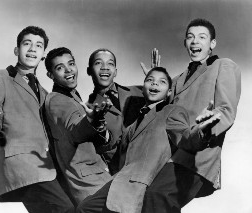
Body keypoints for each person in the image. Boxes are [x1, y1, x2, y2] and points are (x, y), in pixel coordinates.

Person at [76, 67, 220, 213]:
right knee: (84, 208)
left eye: (162, 82)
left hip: (143, 184)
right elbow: (115, 152)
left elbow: (185, 137)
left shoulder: (171, 111)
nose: (155, 84)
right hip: (119, 183)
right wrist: (98, 123)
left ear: (169, 92)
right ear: (143, 88)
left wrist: (202, 130)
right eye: (150, 80)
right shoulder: (132, 125)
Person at [140, 18, 241, 213]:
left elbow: (226, 111)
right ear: (185, 43)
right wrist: (154, 80)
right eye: (190, 37)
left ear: (212, 44)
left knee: (156, 196)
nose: (195, 41)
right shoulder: (178, 80)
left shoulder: (224, 66)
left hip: (198, 158)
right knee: (146, 198)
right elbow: (161, 108)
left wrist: (206, 127)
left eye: (202, 37)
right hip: (171, 156)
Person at [0, 26, 74, 213]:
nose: (32, 49)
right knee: (65, 209)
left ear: (43, 54)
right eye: (26, 44)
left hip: (49, 167)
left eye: (38, 45)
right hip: (23, 166)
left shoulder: (45, 93)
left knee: (79, 206)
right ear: (16, 50)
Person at [43, 47, 112, 204]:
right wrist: (93, 120)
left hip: (97, 178)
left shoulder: (71, 96)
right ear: (50, 75)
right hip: (90, 184)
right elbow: (76, 129)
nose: (69, 71)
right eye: (60, 68)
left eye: (71, 64)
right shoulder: (57, 100)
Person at [86, 48, 146, 174]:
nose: (105, 67)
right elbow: (100, 148)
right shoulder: (89, 110)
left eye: (110, 63)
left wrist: (157, 80)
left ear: (115, 72)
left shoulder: (140, 91)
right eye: (98, 63)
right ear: (89, 71)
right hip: (121, 174)